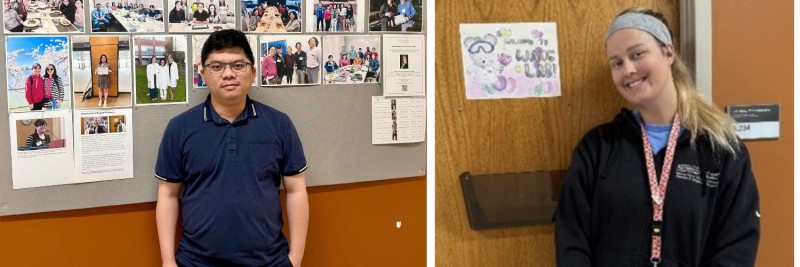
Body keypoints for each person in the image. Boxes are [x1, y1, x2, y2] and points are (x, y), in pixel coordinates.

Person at [554, 8, 760, 267]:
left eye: (637, 54)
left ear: (668, 53)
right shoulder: (596, 149)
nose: (627, 69)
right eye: (617, 62)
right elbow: (572, 239)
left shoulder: (721, 149)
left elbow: (737, 247)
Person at [156, 29, 308, 267]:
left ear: (254, 72)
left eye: (238, 65)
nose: (228, 74)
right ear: (202, 73)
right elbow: (167, 194)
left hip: (269, 261)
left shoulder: (279, 124)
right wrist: (167, 260)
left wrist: (295, 259)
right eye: (216, 66)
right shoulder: (180, 128)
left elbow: (296, 190)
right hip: (196, 261)